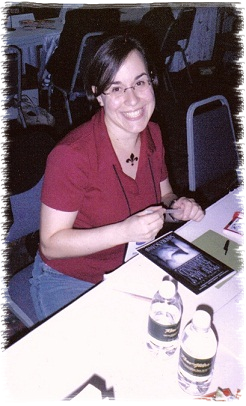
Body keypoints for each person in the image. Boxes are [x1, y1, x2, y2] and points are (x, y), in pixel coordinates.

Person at [30, 34, 204, 321]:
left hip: (132, 266)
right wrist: (125, 231)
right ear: (98, 95)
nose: (133, 99)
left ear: (152, 82)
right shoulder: (72, 155)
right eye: (116, 88)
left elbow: (164, 197)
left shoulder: (153, 134)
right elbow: (51, 243)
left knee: (182, 315)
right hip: (71, 279)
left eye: (140, 82)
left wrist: (178, 207)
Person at [46, 0, 120, 88]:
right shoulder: (114, 14)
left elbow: (63, 50)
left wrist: (49, 65)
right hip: (104, 73)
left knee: (53, 66)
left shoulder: (74, 16)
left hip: (77, 79)